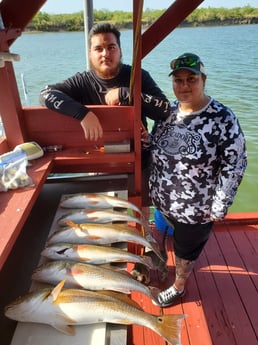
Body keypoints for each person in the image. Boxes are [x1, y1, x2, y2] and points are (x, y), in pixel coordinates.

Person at [148, 52, 247, 307]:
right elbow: (159, 145)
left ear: (204, 79)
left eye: (191, 79)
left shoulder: (223, 118)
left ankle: (179, 286)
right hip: (163, 199)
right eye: (178, 80)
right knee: (165, 234)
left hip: (196, 208)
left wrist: (220, 204)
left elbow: (235, 163)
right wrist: (147, 142)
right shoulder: (168, 112)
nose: (184, 86)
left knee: (185, 252)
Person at [39, 22, 170, 142]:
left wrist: (127, 93)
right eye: (98, 49)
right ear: (90, 54)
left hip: (137, 157)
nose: (105, 54)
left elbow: (165, 110)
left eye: (111, 47)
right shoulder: (82, 81)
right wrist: (82, 114)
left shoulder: (137, 76)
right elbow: (45, 94)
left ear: (120, 51)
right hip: (98, 157)